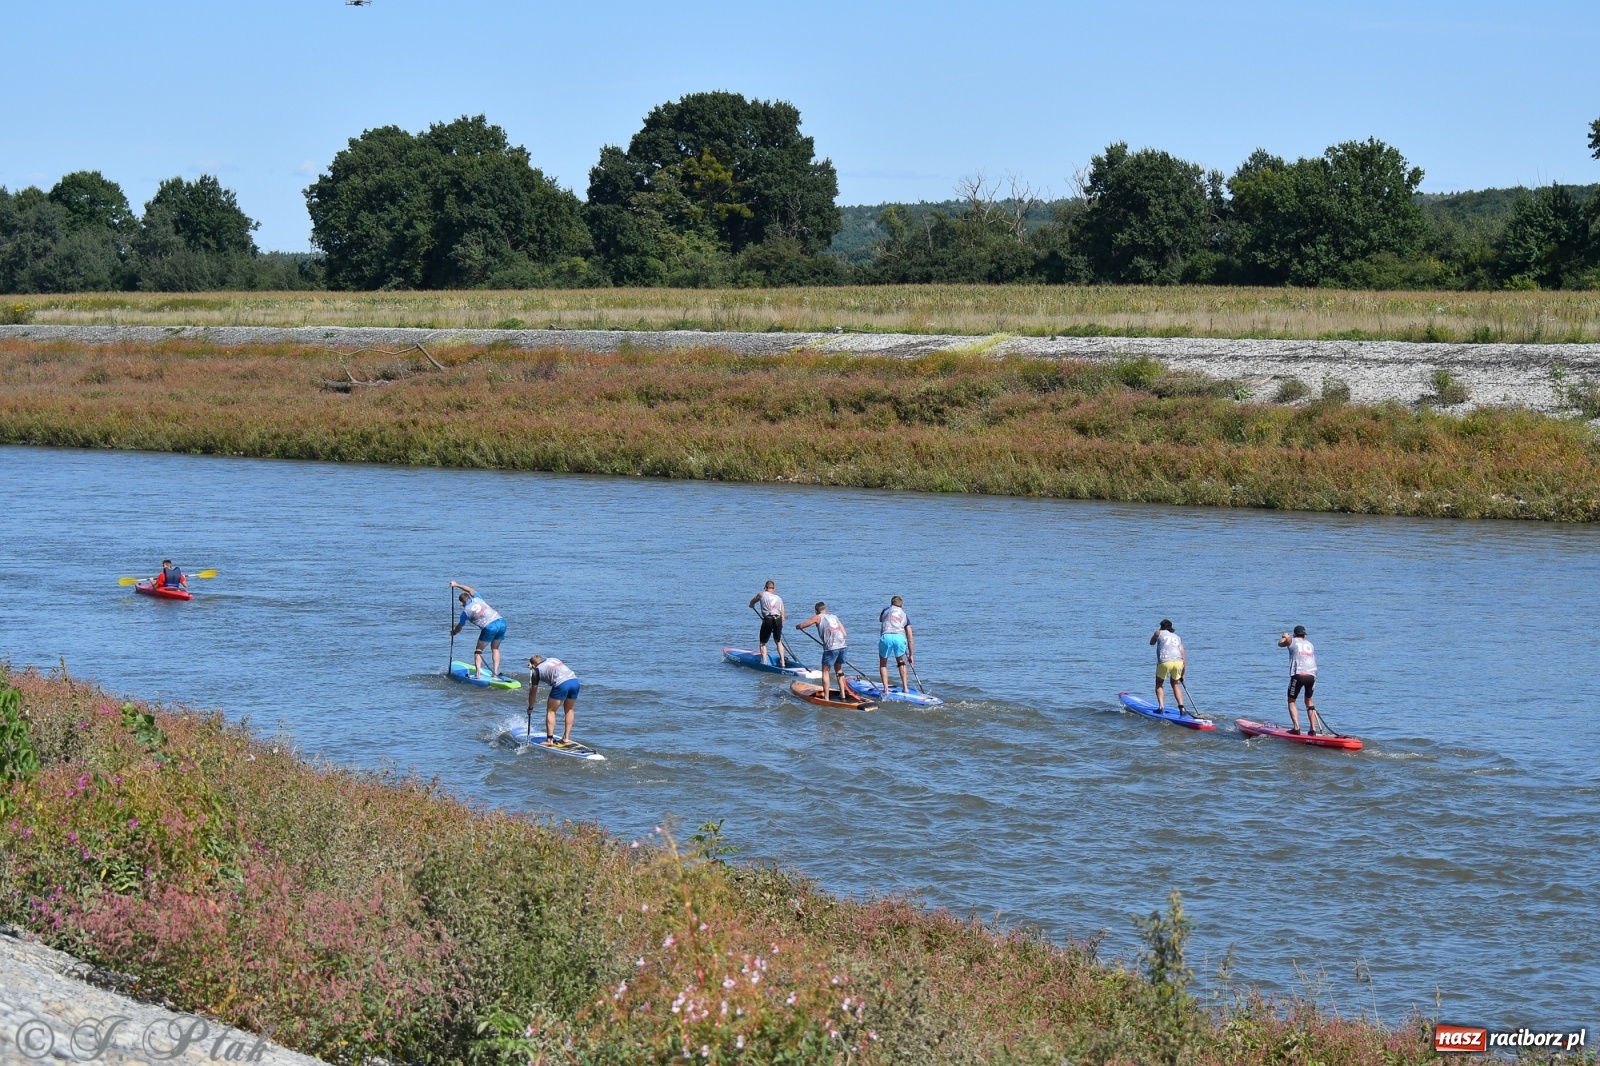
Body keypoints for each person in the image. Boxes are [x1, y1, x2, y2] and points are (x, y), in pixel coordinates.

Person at [450, 580, 507, 679]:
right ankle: (495, 673)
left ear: (461, 603)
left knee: (478, 650)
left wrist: (454, 632)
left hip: (489, 626)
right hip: (501, 622)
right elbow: (470, 589)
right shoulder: (477, 598)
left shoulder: (465, 613)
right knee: (495, 648)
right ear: (469, 597)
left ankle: (477, 675)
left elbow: (460, 626)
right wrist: (457, 585)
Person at [797, 602, 850, 700]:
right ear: (826, 609)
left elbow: (804, 625)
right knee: (839, 670)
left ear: (817, 611)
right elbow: (845, 634)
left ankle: (826, 698)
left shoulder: (818, 617)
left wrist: (798, 626)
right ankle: (842, 694)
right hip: (843, 646)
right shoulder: (834, 616)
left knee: (825, 671)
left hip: (831, 648)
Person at [1278, 625, 1321, 735]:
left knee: (1291, 700)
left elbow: (1281, 643)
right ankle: (1313, 730)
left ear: (1295, 634)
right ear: (1304, 635)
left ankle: (1296, 728)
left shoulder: (1292, 641)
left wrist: (1284, 636)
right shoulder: (1310, 644)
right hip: (1312, 675)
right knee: (1309, 701)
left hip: (1299, 675)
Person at [528, 654, 580, 745]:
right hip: (575, 681)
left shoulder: (536, 671)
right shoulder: (553, 659)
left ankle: (549, 740)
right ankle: (566, 738)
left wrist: (530, 707)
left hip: (561, 684)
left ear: (533, 664)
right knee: (569, 709)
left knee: (551, 711)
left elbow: (533, 692)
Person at [878, 596, 915, 695]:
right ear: (902, 605)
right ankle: (905, 688)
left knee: (883, 663)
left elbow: (881, 619)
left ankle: (885, 689)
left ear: (891, 603)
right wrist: (911, 655)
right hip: (900, 637)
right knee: (901, 661)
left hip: (886, 636)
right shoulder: (905, 615)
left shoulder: (885, 610)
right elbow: (910, 637)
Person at [748, 580, 789, 667]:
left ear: (766, 588)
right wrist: (780, 623)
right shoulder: (779, 598)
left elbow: (753, 601)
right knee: (778, 641)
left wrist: (751, 605)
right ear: (773, 588)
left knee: (763, 643)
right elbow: (783, 614)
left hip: (768, 619)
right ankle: (783, 662)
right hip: (778, 619)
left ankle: (764, 662)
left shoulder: (762, 594)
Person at [1149, 619, 1187, 713]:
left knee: (1159, 683)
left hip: (1165, 661)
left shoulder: (1159, 632)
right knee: (1175, 684)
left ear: (1161, 627)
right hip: (1178, 662)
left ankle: (1161, 707)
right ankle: (1181, 707)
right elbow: (1183, 657)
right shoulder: (1177, 637)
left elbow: (1151, 643)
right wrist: (1182, 674)